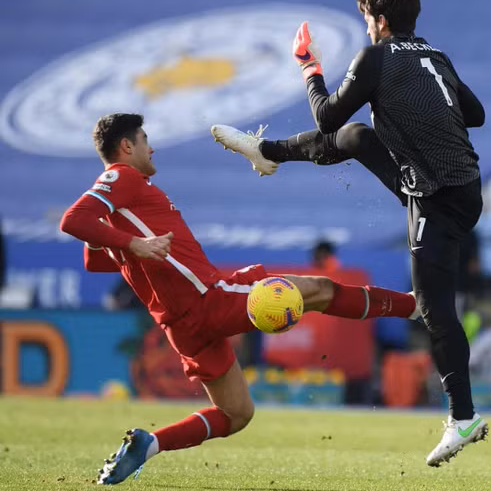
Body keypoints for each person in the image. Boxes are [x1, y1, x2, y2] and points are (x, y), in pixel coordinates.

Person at [210, 0, 488, 466]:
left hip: (436, 195)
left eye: (366, 20)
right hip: (464, 186)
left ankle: (463, 417)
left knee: (435, 310)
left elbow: (324, 118)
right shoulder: (435, 57)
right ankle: (266, 151)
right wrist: (420, 113)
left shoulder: (376, 58)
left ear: (378, 21)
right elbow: (477, 114)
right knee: (358, 138)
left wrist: (309, 66)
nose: (366, 28)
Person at [59, 113, 420, 485]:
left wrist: (124, 245)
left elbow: (94, 259)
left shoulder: (122, 203)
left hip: (181, 325)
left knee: (236, 414)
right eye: (145, 139)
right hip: (207, 298)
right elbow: (72, 219)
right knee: (321, 290)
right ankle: (414, 307)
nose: (152, 148)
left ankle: (150, 444)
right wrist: (136, 244)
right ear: (126, 146)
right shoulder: (123, 176)